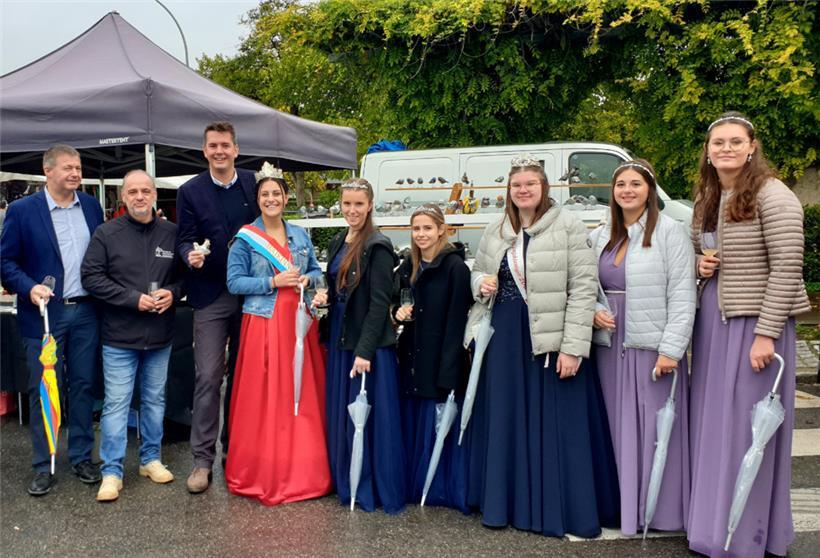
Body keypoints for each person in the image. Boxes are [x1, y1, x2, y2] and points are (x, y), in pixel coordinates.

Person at [465, 154, 619, 537]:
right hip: (504, 339)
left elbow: (584, 290)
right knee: (508, 420)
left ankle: (558, 509)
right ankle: (509, 504)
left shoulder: (567, 224)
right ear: (509, 190)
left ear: (543, 187)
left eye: (530, 184)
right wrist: (480, 282)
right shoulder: (497, 228)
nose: (523, 190)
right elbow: (479, 273)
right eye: (517, 185)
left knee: (557, 425)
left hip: (549, 338)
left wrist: (573, 347)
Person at [687, 112, 810, 558]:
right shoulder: (708, 193)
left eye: (735, 142)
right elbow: (696, 249)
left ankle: (748, 536)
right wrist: (700, 266)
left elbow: (786, 269)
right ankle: (711, 528)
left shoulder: (775, 196)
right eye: (717, 142)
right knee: (715, 429)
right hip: (715, 326)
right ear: (707, 149)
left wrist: (766, 334)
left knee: (747, 432)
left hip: (755, 327)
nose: (725, 149)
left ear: (752, 146)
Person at [589, 159, 695, 535]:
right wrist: (595, 311)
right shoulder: (602, 234)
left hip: (651, 345)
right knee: (615, 428)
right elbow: (588, 285)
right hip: (608, 346)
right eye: (621, 185)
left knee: (653, 430)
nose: (627, 191)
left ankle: (660, 512)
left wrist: (672, 349)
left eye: (635, 184)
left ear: (650, 190)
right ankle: (622, 507)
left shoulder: (671, 233)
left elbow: (683, 295)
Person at [0, 144, 104, 496]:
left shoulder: (91, 206)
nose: (76, 173)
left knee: (84, 385)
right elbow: (6, 263)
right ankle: (44, 465)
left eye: (78, 168)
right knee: (45, 388)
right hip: (44, 315)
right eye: (68, 168)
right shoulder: (22, 211)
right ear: (48, 171)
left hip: (87, 311)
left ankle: (80, 457)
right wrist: (28, 288)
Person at [225, 168, 331, 505]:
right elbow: (234, 282)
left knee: (299, 393)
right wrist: (272, 282)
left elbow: (315, 270)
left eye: (277, 194)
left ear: (286, 198)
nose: (271, 199)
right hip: (264, 321)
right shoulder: (245, 238)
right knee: (265, 396)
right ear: (257, 200)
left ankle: (304, 470)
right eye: (264, 195)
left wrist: (306, 281)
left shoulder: (300, 234)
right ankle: (264, 470)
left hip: (298, 320)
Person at [81, 170, 183, 502]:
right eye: (133, 192)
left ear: (154, 194)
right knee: (116, 405)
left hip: (160, 336)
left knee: (154, 401)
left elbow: (185, 278)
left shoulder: (171, 233)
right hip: (119, 337)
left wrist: (173, 292)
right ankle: (112, 472)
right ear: (122, 197)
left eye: (145, 191)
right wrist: (131, 299)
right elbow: (91, 277)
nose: (139, 197)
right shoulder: (106, 233)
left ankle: (150, 459)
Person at [312, 178, 406, 513]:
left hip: (365, 342)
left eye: (358, 205)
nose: (352, 211)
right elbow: (340, 288)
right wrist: (325, 297)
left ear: (370, 206)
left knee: (365, 416)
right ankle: (346, 480)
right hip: (341, 333)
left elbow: (380, 304)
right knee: (345, 412)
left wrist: (365, 351)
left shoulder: (378, 245)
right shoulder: (339, 239)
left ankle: (368, 485)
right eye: (347, 204)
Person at [176, 121, 259, 493]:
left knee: (246, 378)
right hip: (210, 294)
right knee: (209, 377)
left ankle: (237, 454)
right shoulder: (190, 190)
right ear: (204, 150)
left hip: (252, 295)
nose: (220, 151)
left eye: (225, 145)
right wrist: (188, 255)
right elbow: (184, 239)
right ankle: (202, 461)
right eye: (213, 145)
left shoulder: (253, 184)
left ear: (236, 150)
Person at [393, 204, 472, 511]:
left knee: (435, 424)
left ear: (442, 229)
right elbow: (396, 306)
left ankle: (438, 487)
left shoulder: (455, 268)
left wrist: (449, 370)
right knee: (414, 423)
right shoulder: (408, 266)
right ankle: (416, 484)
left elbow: (457, 324)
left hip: (439, 359)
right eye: (416, 229)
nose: (421, 234)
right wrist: (397, 313)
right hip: (412, 355)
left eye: (427, 228)